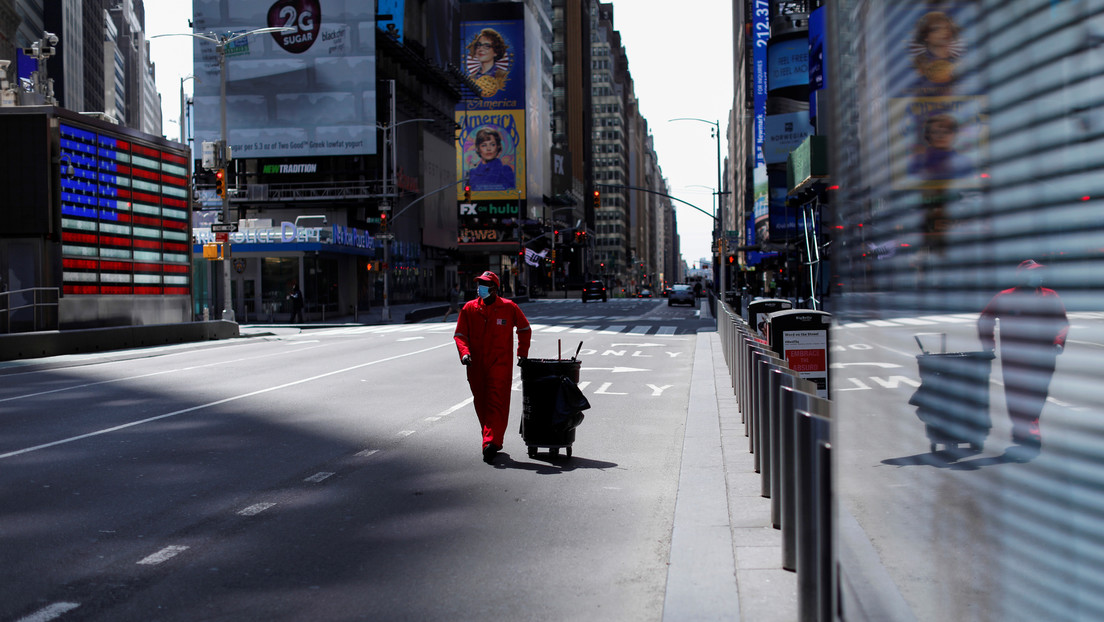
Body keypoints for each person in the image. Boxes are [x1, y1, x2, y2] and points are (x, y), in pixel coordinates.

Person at [977, 260, 1068, 452]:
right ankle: (1028, 428)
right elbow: (985, 319)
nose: (1039, 276)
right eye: (1035, 273)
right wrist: (989, 345)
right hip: (1015, 357)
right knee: (1016, 393)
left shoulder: (1050, 296)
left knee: (1039, 392)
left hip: (1044, 355)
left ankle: (1025, 427)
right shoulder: (1005, 297)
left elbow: (1062, 322)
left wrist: (1058, 342)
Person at [454, 271, 532, 463]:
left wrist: (522, 353)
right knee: (481, 402)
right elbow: (460, 335)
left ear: (494, 289)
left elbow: (524, 329)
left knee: (496, 403)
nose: (479, 287)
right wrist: (464, 353)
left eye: (484, 284)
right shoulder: (469, 309)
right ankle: (491, 439)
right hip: (475, 366)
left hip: (500, 365)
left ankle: (490, 441)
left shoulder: (509, 307)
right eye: (479, 283)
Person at [907, 113, 975, 183]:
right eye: (935, 132)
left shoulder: (963, 162)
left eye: (946, 132)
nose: (941, 136)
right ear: (928, 135)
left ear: (954, 135)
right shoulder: (919, 161)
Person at [466, 28, 510, 98]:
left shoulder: (503, 76)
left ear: (496, 52)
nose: (480, 49)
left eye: (486, 46)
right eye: (478, 45)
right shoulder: (471, 78)